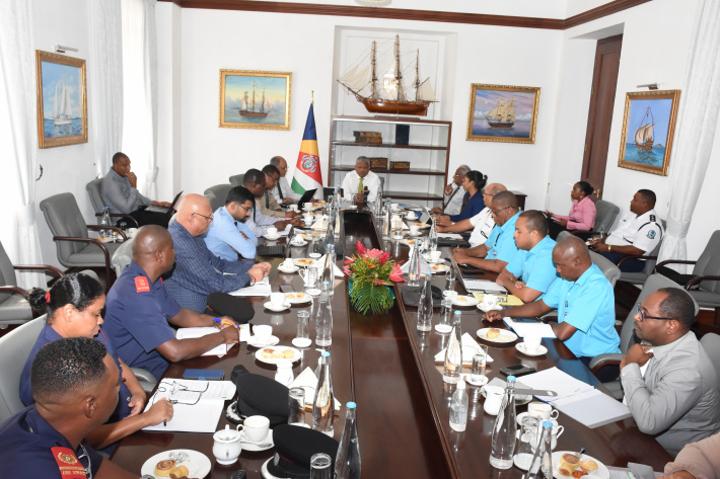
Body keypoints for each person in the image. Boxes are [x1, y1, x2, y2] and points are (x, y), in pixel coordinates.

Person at [18, 273, 173, 450]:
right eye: (96, 314)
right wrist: (146, 419)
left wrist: (137, 391)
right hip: (107, 445)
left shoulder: (88, 331)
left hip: (129, 420)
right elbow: (85, 440)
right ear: (69, 312)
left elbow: (116, 360)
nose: (101, 320)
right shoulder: (56, 368)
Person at [105, 225, 243, 380]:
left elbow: (180, 315)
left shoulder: (148, 279)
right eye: (172, 248)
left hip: (165, 362)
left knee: (226, 373)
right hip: (152, 373)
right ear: (159, 255)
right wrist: (222, 336)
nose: (175, 253)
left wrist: (217, 321)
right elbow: (175, 352)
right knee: (226, 379)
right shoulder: (135, 295)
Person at [0, 337, 136, 478]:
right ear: (90, 406)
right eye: (115, 385)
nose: (121, 384)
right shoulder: (40, 471)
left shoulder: (58, 422)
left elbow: (96, 468)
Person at [620, 288, 720, 455]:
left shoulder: (688, 370)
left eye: (644, 314)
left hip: (675, 455)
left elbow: (649, 422)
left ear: (671, 325)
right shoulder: (658, 338)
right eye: (639, 309)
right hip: (640, 429)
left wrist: (630, 366)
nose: (636, 317)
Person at [486, 236, 620, 359]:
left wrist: (548, 325)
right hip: (564, 348)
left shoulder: (596, 287)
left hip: (591, 358)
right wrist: (504, 313)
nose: (558, 270)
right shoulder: (567, 277)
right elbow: (540, 306)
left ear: (577, 261)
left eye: (560, 265)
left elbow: (563, 332)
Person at [165, 195, 271, 314]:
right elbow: (214, 284)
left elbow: (218, 263)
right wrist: (250, 277)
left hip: (208, 298)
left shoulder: (191, 233)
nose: (210, 222)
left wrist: (250, 267)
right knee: (249, 313)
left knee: (248, 310)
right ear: (192, 217)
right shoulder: (181, 242)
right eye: (208, 218)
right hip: (194, 313)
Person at [589, 189, 663, 272]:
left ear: (644, 204)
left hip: (630, 260)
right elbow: (618, 234)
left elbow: (638, 251)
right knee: (585, 249)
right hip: (614, 251)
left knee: (592, 260)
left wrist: (609, 248)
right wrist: (603, 240)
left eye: (635, 199)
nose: (631, 201)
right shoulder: (634, 215)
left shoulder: (651, 226)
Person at [452, 191, 524, 273]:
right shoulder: (503, 221)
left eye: (495, 212)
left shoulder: (516, 228)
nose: (492, 215)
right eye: (491, 211)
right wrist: (465, 252)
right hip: (489, 268)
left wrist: (467, 259)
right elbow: (486, 248)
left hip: (498, 274)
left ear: (509, 210)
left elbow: (500, 266)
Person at [496, 210, 557, 303]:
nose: (514, 235)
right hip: (529, 304)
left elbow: (526, 296)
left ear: (533, 234)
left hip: (545, 310)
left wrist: (506, 282)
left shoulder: (548, 255)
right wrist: (515, 284)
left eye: (518, 231)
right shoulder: (526, 247)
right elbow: (505, 274)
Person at [100, 151, 172, 227]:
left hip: (136, 212)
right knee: (166, 219)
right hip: (125, 219)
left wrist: (155, 203)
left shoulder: (122, 175)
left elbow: (137, 196)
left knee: (168, 212)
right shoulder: (111, 183)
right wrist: (133, 186)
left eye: (129, 164)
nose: (128, 168)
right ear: (115, 165)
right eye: (124, 165)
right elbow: (126, 209)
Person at [437, 183, 506, 247]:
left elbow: (489, 247)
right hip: (470, 246)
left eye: (485, 194)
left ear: (494, 197)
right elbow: (467, 223)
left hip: (478, 251)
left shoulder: (501, 218)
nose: (483, 196)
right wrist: (444, 229)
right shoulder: (486, 210)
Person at [205, 186, 258, 260]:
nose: (248, 214)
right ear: (233, 206)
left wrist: (246, 240)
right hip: (222, 265)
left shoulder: (233, 217)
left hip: (232, 261)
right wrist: (246, 241)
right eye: (246, 209)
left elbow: (255, 240)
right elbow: (250, 253)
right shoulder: (223, 223)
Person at [243, 168, 298, 235]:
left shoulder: (251, 198)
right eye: (263, 185)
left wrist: (286, 222)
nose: (264, 189)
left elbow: (260, 218)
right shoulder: (242, 201)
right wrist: (274, 228)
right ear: (253, 185)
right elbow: (252, 231)